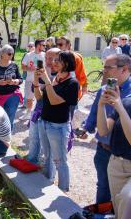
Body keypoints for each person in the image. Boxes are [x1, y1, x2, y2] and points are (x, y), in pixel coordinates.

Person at [81, 54, 131, 204]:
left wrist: (120, 106)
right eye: (104, 66)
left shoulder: (128, 97)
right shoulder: (105, 89)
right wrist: (87, 128)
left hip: (126, 155)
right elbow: (96, 113)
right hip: (105, 148)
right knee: (103, 187)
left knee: (124, 199)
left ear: (125, 69)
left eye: (108, 67)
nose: (104, 70)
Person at [34, 51, 79, 192]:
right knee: (47, 157)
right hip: (45, 122)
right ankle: (48, 183)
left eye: (57, 60)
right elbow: (40, 98)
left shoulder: (72, 83)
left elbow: (54, 101)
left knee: (60, 161)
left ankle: (63, 190)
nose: (54, 62)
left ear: (67, 63)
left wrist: (46, 80)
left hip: (58, 126)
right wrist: (36, 82)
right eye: (54, 60)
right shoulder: (55, 78)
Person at [96, 81, 131, 219]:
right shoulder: (126, 102)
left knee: (127, 199)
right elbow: (103, 131)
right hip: (116, 165)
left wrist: (120, 107)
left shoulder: (122, 104)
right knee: (119, 211)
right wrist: (101, 105)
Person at [26, 48, 60, 164]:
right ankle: (31, 162)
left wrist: (46, 83)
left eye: (51, 58)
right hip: (39, 110)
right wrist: (37, 79)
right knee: (34, 139)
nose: (48, 61)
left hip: (53, 115)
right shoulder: (42, 71)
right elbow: (34, 90)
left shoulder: (62, 75)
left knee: (50, 147)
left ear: (59, 59)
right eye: (46, 58)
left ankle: (48, 171)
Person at [0, 44, 23, 129]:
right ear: (2, 54)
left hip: (12, 95)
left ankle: (7, 140)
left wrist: (14, 81)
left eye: (12, 53)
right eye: (9, 53)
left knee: (9, 118)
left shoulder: (14, 65)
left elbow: (21, 79)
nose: (11, 55)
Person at [21, 39, 46, 120]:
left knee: (41, 99)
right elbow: (23, 67)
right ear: (38, 45)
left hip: (41, 81)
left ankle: (40, 114)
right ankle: (28, 113)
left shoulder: (44, 55)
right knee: (29, 98)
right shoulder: (28, 55)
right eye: (43, 45)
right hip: (30, 80)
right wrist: (30, 69)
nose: (44, 47)